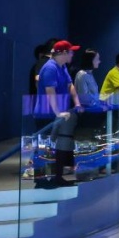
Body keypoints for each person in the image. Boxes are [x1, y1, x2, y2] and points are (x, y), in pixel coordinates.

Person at [33, 40, 82, 186]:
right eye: (71, 52)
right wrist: (57, 112)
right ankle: (41, 178)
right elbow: (50, 92)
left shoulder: (62, 66)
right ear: (63, 53)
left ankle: (56, 176)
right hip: (46, 113)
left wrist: (77, 102)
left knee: (57, 146)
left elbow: (70, 85)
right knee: (44, 146)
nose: (72, 54)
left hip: (58, 114)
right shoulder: (50, 68)